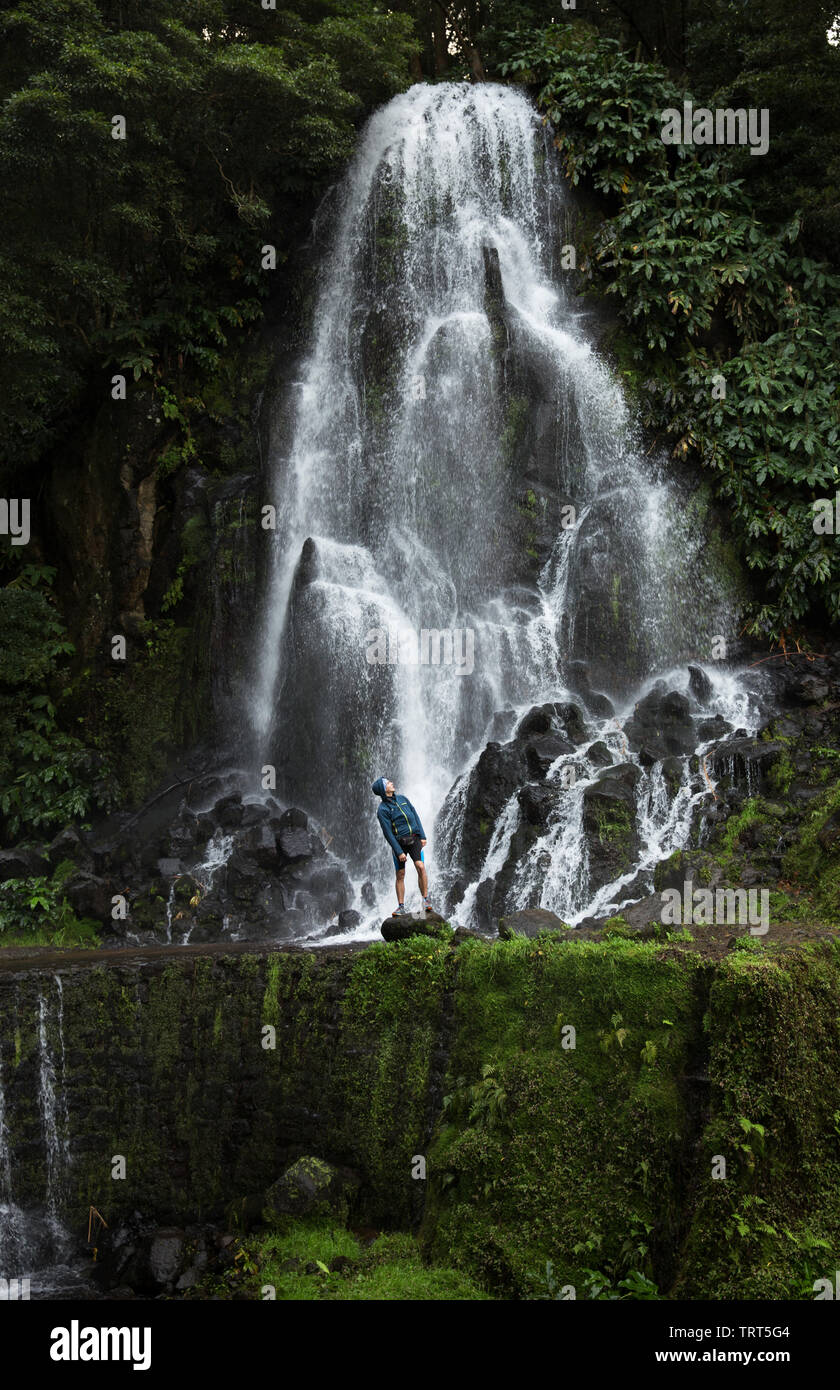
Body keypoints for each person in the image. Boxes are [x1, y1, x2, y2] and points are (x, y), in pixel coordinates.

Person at [371, 777, 434, 917]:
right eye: (387, 783)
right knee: (400, 874)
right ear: (383, 790)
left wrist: (423, 835)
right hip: (399, 843)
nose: (391, 783)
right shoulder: (383, 809)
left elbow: (415, 815)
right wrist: (399, 852)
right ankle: (401, 906)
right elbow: (387, 833)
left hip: (415, 838)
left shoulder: (403, 798)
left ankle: (425, 900)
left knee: (421, 867)